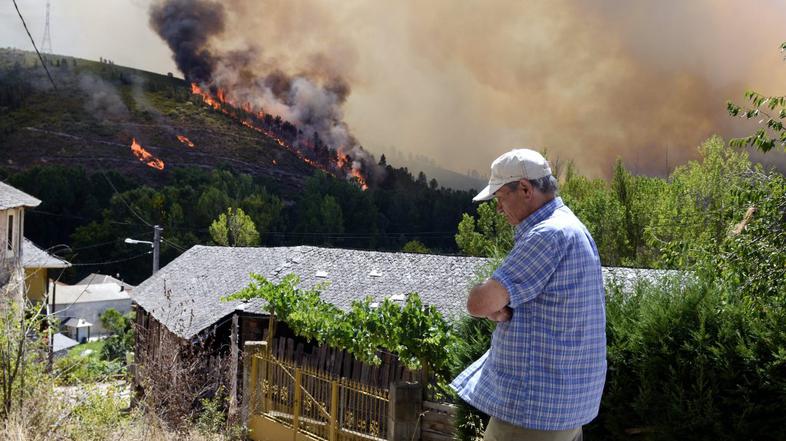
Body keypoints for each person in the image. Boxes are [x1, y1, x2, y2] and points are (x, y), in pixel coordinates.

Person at [450, 149, 606, 441]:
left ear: (524, 188)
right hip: (564, 409)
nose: (498, 208)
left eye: (500, 198)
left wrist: (489, 297)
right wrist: (500, 302)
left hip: (532, 411)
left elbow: (480, 302)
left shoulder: (547, 235)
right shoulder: (573, 228)